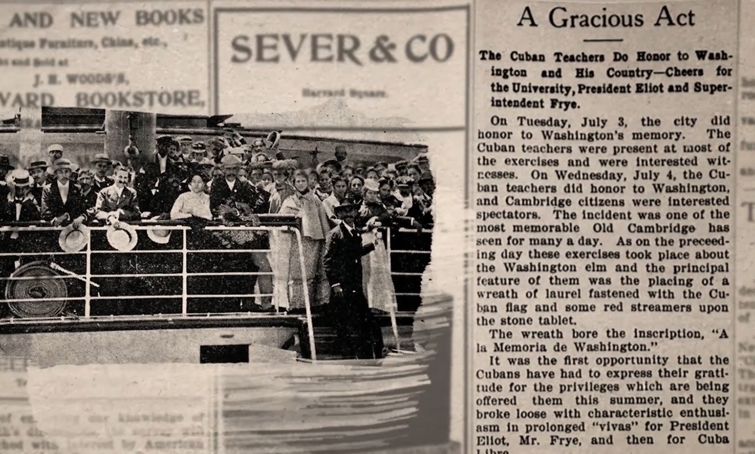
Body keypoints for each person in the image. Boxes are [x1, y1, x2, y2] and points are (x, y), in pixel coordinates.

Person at [323, 203, 384, 359]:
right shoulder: (335, 234)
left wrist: (372, 245)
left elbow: (354, 253)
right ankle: (349, 355)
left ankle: (368, 352)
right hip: (342, 286)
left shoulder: (355, 233)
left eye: (351, 211)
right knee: (343, 321)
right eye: (344, 212)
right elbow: (327, 261)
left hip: (354, 283)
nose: (348, 214)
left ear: (356, 213)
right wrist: (335, 285)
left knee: (361, 318)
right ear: (340, 214)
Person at [279, 170, 331, 310]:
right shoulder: (290, 200)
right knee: (298, 271)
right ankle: (298, 304)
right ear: (294, 183)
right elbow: (283, 216)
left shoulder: (315, 200)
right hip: (298, 239)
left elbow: (323, 220)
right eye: (298, 181)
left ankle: (316, 302)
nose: (301, 184)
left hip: (314, 239)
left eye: (303, 181)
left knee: (314, 271)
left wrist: (327, 238)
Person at [41, 159, 86, 227]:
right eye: (60, 172)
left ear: (70, 173)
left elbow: (82, 208)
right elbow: (45, 211)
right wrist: (55, 219)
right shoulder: (48, 189)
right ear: (55, 174)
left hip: (73, 227)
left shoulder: (77, 188)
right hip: (54, 227)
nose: (64, 175)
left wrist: (80, 217)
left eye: (66, 171)